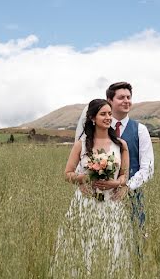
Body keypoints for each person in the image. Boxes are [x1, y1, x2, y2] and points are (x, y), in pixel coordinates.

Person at [53, 99, 132, 276]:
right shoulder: (81, 145)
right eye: (103, 114)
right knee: (84, 246)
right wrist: (85, 178)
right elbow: (67, 174)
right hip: (86, 203)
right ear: (92, 118)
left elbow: (124, 176)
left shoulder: (121, 145)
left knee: (111, 245)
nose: (108, 117)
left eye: (110, 114)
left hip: (112, 204)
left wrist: (115, 183)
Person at [74, 82, 154, 231]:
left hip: (130, 197)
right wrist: (82, 181)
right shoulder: (94, 131)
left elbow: (148, 169)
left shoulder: (140, 130)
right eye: (121, 97)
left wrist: (125, 187)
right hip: (94, 197)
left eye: (129, 97)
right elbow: (82, 161)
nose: (126, 101)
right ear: (109, 101)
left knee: (133, 242)